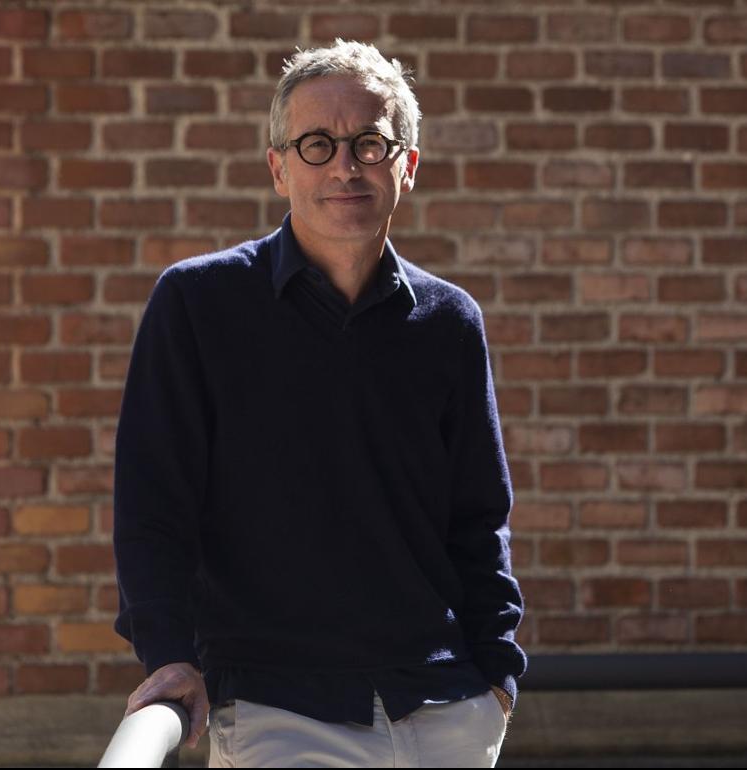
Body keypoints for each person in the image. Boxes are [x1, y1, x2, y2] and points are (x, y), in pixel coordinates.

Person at [112, 38, 527, 768]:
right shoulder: (199, 304)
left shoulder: (449, 320)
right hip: (279, 707)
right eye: (317, 144)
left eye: (370, 143)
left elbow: (478, 513)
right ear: (279, 167)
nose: (345, 166)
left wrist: (496, 678)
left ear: (407, 164)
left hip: (444, 706)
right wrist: (168, 653)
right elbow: (153, 506)